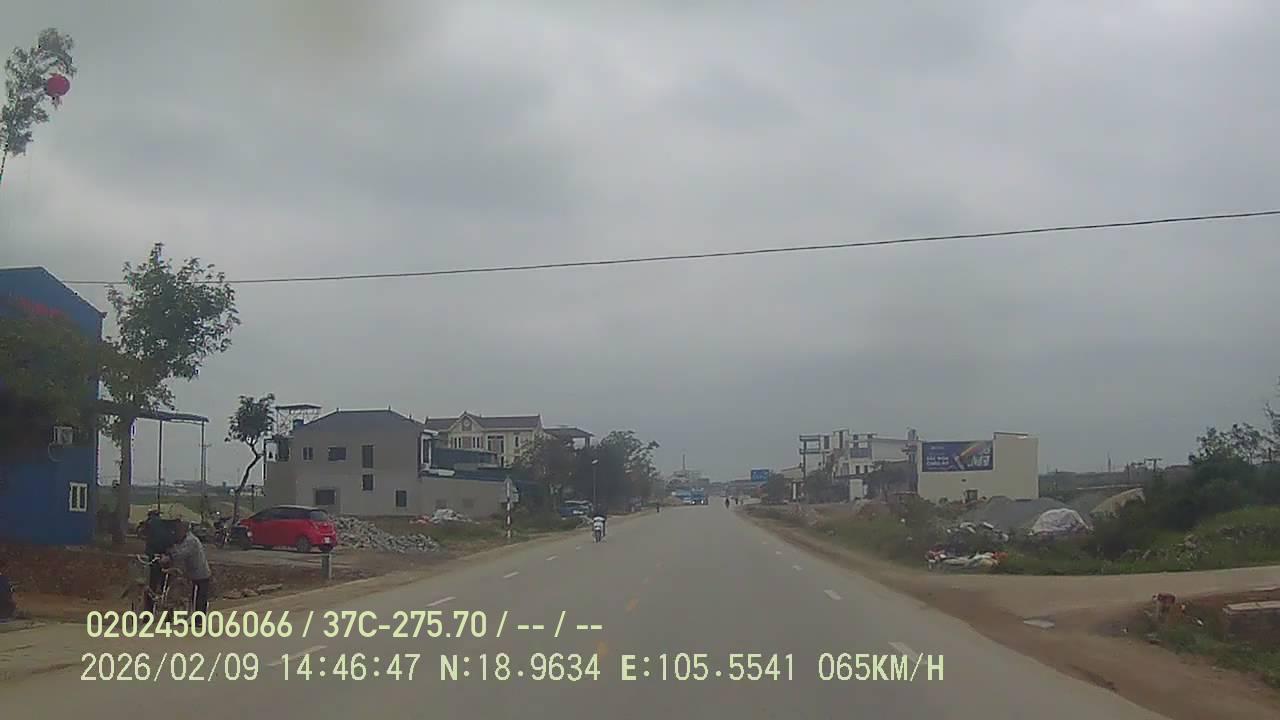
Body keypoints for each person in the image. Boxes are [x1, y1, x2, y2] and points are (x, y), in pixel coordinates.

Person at [162, 522, 212, 625]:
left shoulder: (191, 540)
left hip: (200, 573)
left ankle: (199, 620)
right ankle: (180, 615)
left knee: (199, 598)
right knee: (193, 596)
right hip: (192, 572)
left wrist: (169, 556)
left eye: (179, 530)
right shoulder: (185, 540)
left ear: (184, 530)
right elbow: (178, 549)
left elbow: (182, 552)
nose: (177, 533)